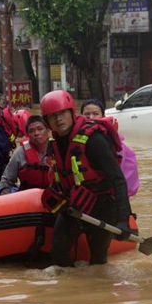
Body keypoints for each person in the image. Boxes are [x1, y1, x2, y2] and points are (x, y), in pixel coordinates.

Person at [39, 90, 133, 266]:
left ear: (72, 113)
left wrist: (123, 219)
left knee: (98, 259)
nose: (58, 119)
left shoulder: (94, 140)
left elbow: (118, 179)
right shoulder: (54, 143)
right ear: (47, 122)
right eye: (52, 117)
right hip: (75, 204)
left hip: (103, 204)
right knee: (58, 252)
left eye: (62, 113)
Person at [81, 98, 140, 197]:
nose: (91, 118)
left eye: (95, 114)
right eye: (87, 114)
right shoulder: (73, 138)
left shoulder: (113, 142)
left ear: (103, 116)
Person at [0, 115, 52, 195]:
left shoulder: (57, 150)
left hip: (52, 197)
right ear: (28, 135)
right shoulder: (20, 153)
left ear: (47, 130)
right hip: (26, 198)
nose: (36, 133)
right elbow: (6, 181)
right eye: (31, 131)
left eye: (40, 129)